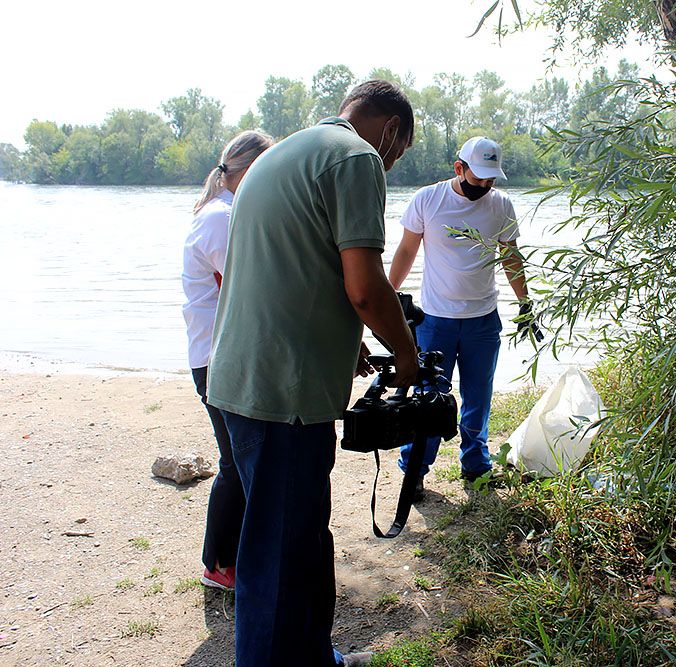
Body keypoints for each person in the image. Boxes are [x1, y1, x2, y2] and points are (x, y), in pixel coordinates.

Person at [206, 80, 418, 667]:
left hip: (241, 379)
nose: (392, 163)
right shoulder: (357, 158)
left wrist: (347, 348)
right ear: (392, 130)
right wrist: (405, 353)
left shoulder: (283, 153)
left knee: (297, 541)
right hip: (283, 394)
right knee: (277, 555)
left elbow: (293, 267)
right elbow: (367, 289)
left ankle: (314, 657)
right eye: (398, 151)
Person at [389, 136, 541, 498]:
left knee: (478, 396)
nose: (485, 185)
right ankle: (415, 470)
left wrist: (525, 304)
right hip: (435, 321)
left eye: (491, 178)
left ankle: (475, 466)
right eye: (479, 177)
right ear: (459, 168)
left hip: (482, 321)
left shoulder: (501, 205)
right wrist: (389, 297)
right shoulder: (429, 199)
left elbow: (510, 257)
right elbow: (407, 249)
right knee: (428, 397)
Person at [180, 129, 274, 591]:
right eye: (268, 168)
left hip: (220, 354)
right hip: (218, 358)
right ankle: (219, 564)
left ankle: (226, 561)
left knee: (237, 462)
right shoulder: (220, 218)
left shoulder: (225, 212)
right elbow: (251, 282)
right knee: (236, 464)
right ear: (249, 171)